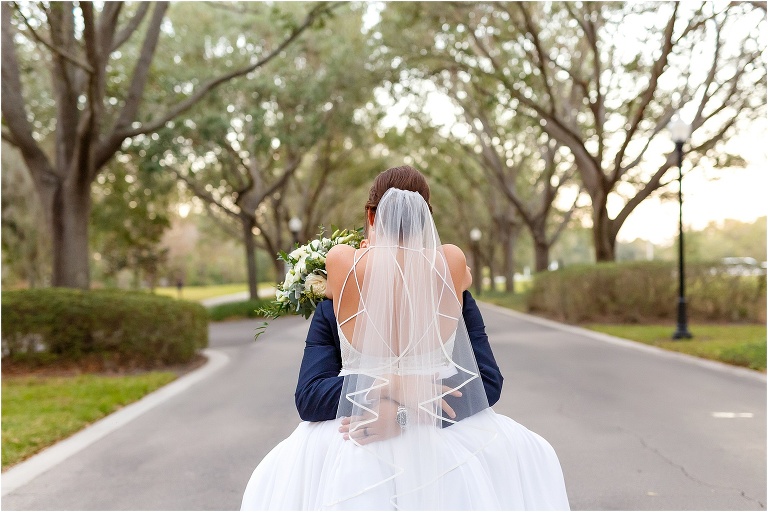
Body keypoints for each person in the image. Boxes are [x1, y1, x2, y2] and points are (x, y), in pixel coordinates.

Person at [241, 166, 569, 510]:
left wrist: (396, 413)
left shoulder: (340, 282)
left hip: (354, 440)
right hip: (447, 443)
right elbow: (486, 384)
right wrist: (398, 388)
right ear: (427, 217)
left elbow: (310, 398)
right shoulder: (452, 279)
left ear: (371, 215)